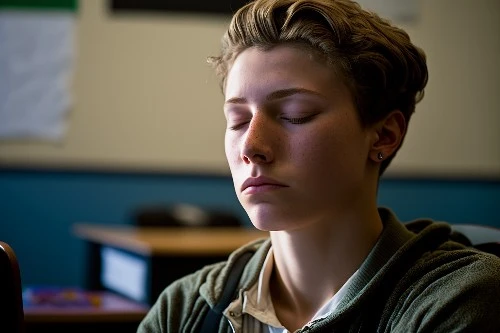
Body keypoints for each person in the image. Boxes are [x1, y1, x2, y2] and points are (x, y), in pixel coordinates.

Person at [138, 0, 500, 332]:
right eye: (237, 120)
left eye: (296, 115)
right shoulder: (184, 309)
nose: (250, 146)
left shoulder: (457, 301)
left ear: (383, 135)